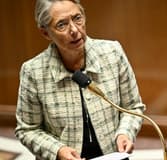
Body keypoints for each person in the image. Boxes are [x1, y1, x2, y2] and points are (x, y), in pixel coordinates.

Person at [15, 0, 146, 159]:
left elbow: (132, 107)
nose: (75, 30)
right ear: (45, 33)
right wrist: (58, 150)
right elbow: (28, 129)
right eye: (62, 25)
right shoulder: (33, 72)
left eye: (77, 18)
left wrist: (125, 133)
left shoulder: (112, 53)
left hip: (112, 155)